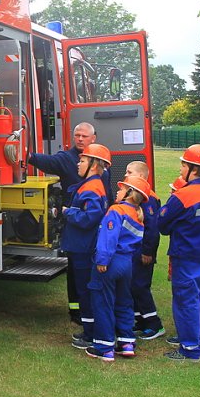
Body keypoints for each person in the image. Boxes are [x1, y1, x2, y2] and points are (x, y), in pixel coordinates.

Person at [28, 122, 113, 325]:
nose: (80, 139)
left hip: (87, 224)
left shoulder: (100, 168)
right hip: (76, 226)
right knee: (75, 270)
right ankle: (76, 310)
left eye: (84, 136)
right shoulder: (67, 158)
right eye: (77, 135)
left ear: (93, 138)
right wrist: (28, 156)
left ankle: (88, 313)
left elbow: (106, 198)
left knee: (88, 271)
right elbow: (48, 162)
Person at [157, 144, 200, 361]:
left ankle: (190, 349)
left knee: (186, 302)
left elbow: (162, 224)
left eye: (183, 165)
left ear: (193, 168)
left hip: (185, 256)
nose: (180, 169)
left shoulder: (183, 196)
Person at [86, 175, 149, 362]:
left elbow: (108, 238)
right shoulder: (138, 215)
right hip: (126, 263)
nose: (118, 190)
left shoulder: (116, 210)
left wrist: (102, 260)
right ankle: (126, 342)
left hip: (111, 262)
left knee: (103, 302)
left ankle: (104, 347)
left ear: (130, 193)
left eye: (122, 188)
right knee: (124, 302)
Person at [61, 143, 111, 350]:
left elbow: (90, 218)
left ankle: (90, 334)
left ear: (93, 164)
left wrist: (67, 212)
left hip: (83, 248)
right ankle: (90, 331)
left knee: (85, 291)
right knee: (85, 290)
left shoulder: (91, 187)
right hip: (82, 246)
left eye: (82, 160)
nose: (78, 163)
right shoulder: (91, 184)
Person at [121, 161, 164, 340]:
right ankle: (141, 320)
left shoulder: (148, 198)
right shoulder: (137, 195)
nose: (125, 175)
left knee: (140, 286)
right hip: (135, 251)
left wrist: (148, 251)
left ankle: (154, 324)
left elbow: (152, 228)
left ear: (141, 177)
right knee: (133, 285)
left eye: (129, 172)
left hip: (143, 252)